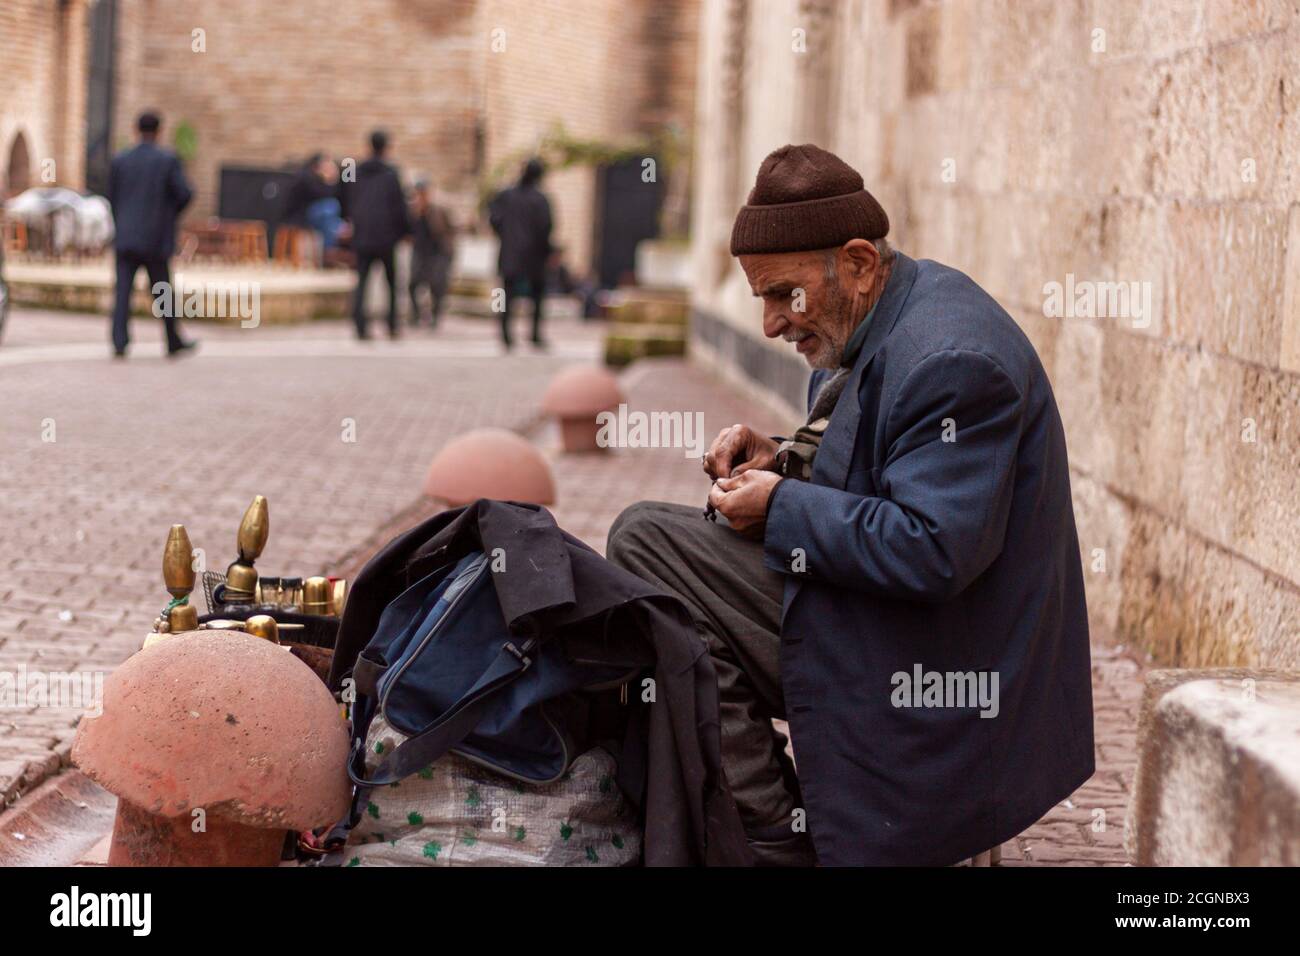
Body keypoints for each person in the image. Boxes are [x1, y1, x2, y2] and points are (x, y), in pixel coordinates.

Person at [606, 144, 1095, 867]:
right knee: (662, 573)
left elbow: (934, 547)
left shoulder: (951, 359)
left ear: (860, 263)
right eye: (762, 299)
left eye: (784, 295)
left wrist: (780, 508)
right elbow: (882, 459)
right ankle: (763, 815)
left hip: (947, 669)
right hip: (908, 626)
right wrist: (786, 459)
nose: (772, 323)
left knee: (650, 547)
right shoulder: (887, 315)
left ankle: (774, 839)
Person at [106, 111, 196, 358]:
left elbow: (111, 196)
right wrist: (168, 215)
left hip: (126, 236)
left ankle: (119, 340)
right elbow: (185, 193)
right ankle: (172, 339)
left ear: (136, 130)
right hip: (155, 238)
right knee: (163, 292)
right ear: (159, 131)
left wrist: (122, 221)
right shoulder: (167, 160)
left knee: (123, 291)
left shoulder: (120, 160)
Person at [342, 130, 409, 339]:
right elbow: (400, 206)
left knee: (362, 281)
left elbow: (345, 197)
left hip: (362, 235)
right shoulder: (391, 173)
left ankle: (360, 326)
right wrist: (406, 231)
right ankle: (392, 325)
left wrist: (351, 221)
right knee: (391, 283)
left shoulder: (355, 170)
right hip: (386, 237)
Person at [488, 158, 552, 349]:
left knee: (503, 295)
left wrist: (504, 236)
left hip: (510, 253)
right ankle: (534, 334)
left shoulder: (506, 195)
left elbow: (493, 218)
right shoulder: (540, 200)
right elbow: (546, 227)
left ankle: (505, 334)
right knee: (537, 296)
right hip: (534, 256)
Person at [408, 180, 454, 328]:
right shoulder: (412, 211)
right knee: (413, 283)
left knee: (437, 285)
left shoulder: (438, 210)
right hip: (420, 252)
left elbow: (449, 230)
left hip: (438, 252)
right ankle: (416, 315)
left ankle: (435, 316)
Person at [283, 153, 344, 254]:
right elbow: (323, 194)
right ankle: (328, 251)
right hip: (299, 216)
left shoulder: (312, 177)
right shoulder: (306, 177)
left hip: (313, 216)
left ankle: (330, 248)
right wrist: (331, 180)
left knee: (330, 218)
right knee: (331, 207)